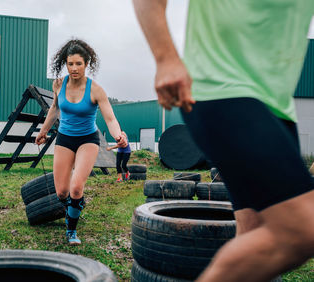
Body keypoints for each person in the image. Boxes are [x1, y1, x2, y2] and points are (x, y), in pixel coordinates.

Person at [132, 0, 314, 281]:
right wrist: (165, 58)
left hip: (277, 107)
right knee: (303, 230)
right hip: (222, 89)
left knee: (254, 232)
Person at [35, 39, 127, 245]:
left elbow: (110, 118)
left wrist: (118, 135)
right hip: (65, 138)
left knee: (76, 187)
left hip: (88, 139)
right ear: (65, 64)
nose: (74, 68)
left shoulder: (96, 90)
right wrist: (43, 131)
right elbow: (54, 109)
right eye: (70, 64)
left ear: (87, 64)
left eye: (79, 63)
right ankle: (77, 204)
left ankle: (71, 231)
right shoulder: (59, 84)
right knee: (62, 192)